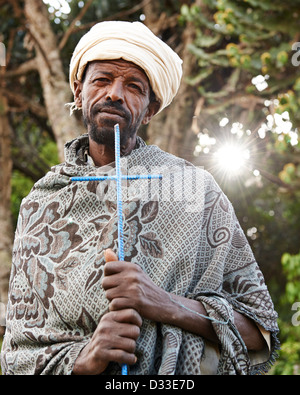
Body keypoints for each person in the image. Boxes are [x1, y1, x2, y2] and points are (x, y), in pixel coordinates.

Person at [1, 21, 279, 375]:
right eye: (102, 80)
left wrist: (162, 303)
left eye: (134, 86)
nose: (115, 94)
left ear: (149, 110)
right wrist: (84, 358)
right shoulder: (41, 203)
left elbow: (259, 332)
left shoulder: (195, 189)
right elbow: (17, 354)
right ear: (79, 91)